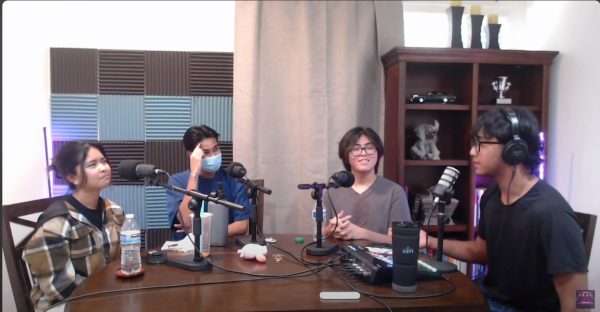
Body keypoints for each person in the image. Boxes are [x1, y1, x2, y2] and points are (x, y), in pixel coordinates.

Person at [420, 108, 588, 312]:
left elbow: (583, 299)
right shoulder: (492, 195)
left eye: (481, 143)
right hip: (489, 300)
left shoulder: (552, 214)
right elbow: (480, 251)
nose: (472, 152)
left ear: (514, 148)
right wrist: (429, 242)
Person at [22, 142, 124, 311]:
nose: (104, 168)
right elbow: (59, 285)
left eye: (104, 161)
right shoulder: (55, 224)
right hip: (63, 304)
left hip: (104, 296)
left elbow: (120, 262)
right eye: (93, 164)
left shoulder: (114, 211)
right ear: (72, 177)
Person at [323, 126, 412, 244]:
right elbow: (321, 232)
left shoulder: (394, 192)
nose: (363, 153)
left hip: (379, 260)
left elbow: (402, 241)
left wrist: (361, 233)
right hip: (338, 259)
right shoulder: (331, 191)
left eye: (369, 147)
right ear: (346, 155)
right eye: (355, 148)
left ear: (378, 153)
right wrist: (332, 229)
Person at [166, 125, 250, 240]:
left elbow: (242, 225)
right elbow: (186, 222)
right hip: (188, 251)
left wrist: (200, 232)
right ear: (191, 155)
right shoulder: (176, 181)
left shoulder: (233, 180)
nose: (213, 156)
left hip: (224, 250)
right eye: (206, 152)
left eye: (216, 149)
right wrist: (194, 174)